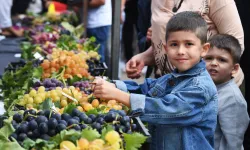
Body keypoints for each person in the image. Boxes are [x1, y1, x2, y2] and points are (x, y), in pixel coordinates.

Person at [92, 11, 218, 150]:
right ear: (165, 48)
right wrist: (113, 85)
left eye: (188, 44)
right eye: (174, 44)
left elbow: (166, 109)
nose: (181, 51)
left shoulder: (201, 88)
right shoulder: (171, 78)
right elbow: (145, 89)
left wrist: (117, 94)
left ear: (204, 49)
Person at [126, 0, 245, 86]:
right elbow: (169, 39)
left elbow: (235, 45)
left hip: (213, 90)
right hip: (170, 85)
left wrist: (205, 80)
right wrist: (144, 57)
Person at [204, 34, 249, 150]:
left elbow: (233, 141)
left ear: (234, 69)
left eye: (222, 60)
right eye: (208, 58)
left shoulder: (232, 98)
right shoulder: (204, 87)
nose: (214, 63)